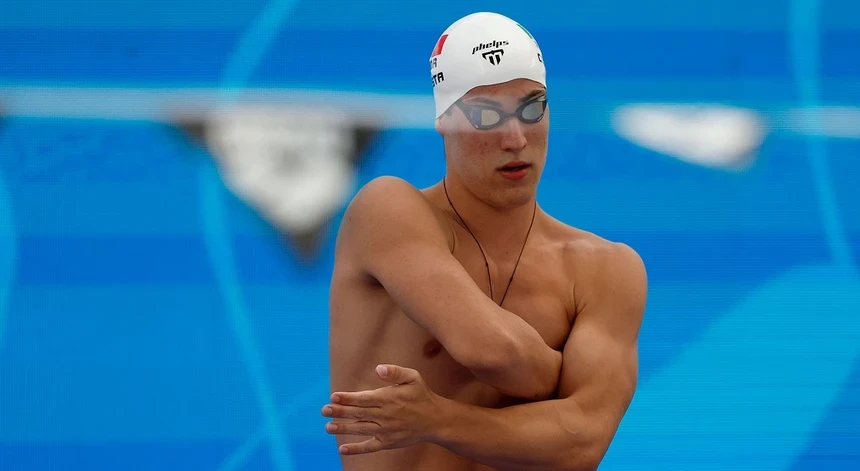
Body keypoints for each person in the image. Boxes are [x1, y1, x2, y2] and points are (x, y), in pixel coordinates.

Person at [324, 11, 647, 471]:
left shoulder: (606, 270)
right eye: (485, 115)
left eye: (532, 108)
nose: (515, 138)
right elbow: (490, 352)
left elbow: (583, 446)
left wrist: (434, 419)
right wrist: (562, 387)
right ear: (443, 119)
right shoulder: (386, 211)